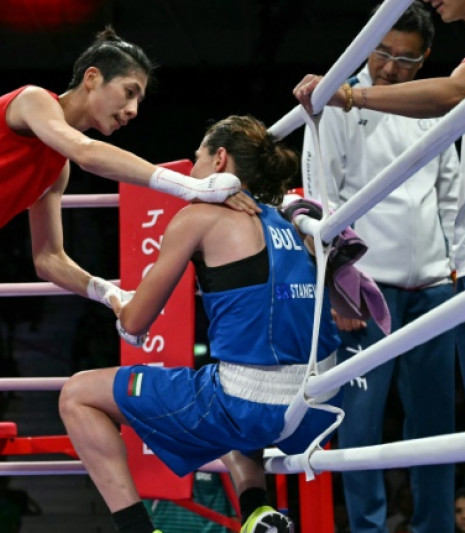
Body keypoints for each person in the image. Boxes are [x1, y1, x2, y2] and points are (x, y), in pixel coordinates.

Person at [0, 25, 257, 533]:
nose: (134, 109)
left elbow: (48, 258)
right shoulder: (32, 102)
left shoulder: (55, 167)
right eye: (129, 92)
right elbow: (90, 153)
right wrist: (193, 188)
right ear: (92, 78)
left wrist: (109, 291)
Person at [58, 115, 341, 533]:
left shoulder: (198, 217)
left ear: (220, 159)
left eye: (197, 159)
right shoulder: (285, 221)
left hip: (250, 404)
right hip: (318, 405)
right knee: (221, 381)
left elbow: (136, 323)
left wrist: (116, 299)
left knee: (77, 394)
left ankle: (137, 529)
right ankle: (257, 512)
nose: (190, 172)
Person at [294, 2, 465, 531]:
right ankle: (367, 528)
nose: (389, 67)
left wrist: (458, 277)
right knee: (360, 423)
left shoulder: (433, 100)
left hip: (436, 285)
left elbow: (453, 195)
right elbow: (322, 202)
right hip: (368, 289)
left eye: (404, 59)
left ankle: (434, 526)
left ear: (423, 57)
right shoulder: (337, 97)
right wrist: (340, 288)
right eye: (381, 52)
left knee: (437, 428)